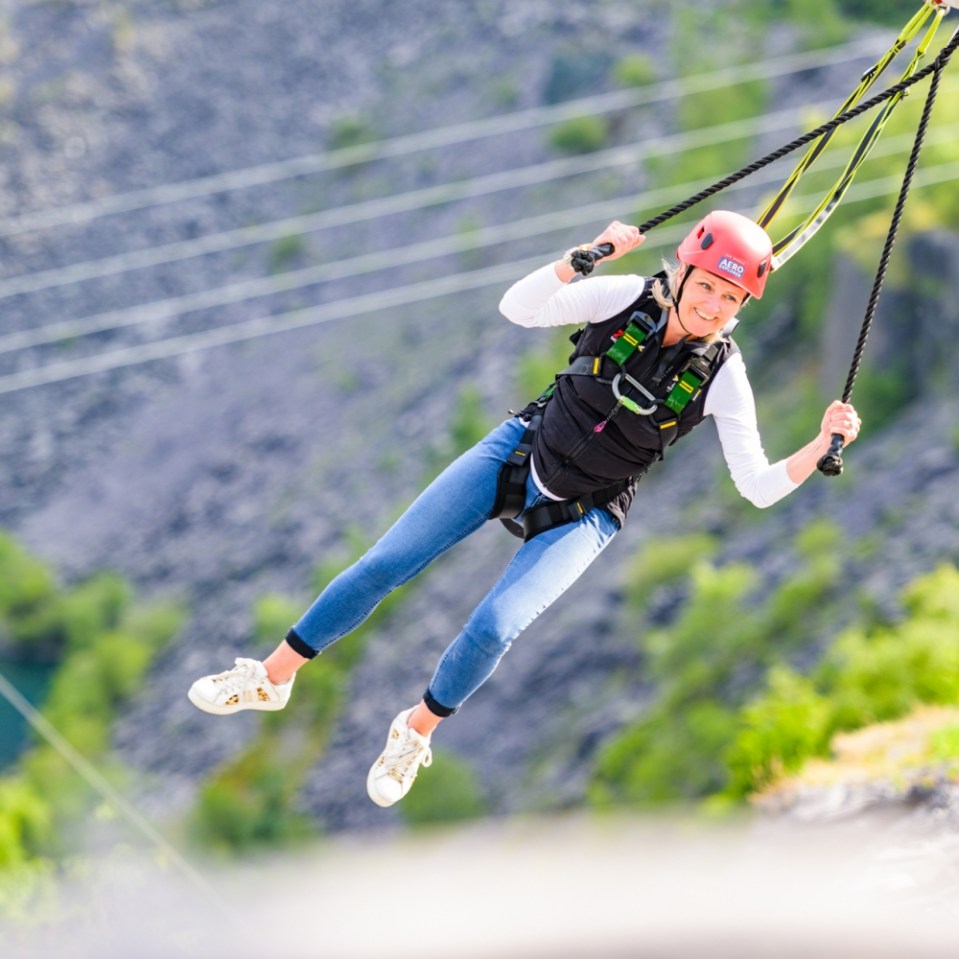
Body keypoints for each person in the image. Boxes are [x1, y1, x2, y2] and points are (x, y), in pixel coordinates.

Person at [188, 211, 862, 808]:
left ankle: (414, 731)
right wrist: (586, 255)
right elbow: (520, 307)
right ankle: (271, 676)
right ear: (682, 273)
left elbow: (759, 485)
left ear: (740, 306)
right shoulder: (624, 296)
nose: (712, 305)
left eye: (729, 297)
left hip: (587, 513)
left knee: (494, 626)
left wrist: (819, 442)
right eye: (706, 286)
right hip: (519, 449)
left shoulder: (723, 377)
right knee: (386, 561)